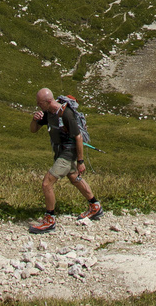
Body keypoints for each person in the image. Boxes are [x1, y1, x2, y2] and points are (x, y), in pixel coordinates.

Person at [27, 87, 101, 233]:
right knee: (74, 178)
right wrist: (34, 119)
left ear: (48, 101)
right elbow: (33, 130)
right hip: (60, 153)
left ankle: (50, 219)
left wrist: (81, 161)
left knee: (47, 183)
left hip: (68, 154)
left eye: (40, 103)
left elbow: (78, 137)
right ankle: (95, 206)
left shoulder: (66, 114)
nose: (39, 106)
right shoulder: (48, 113)